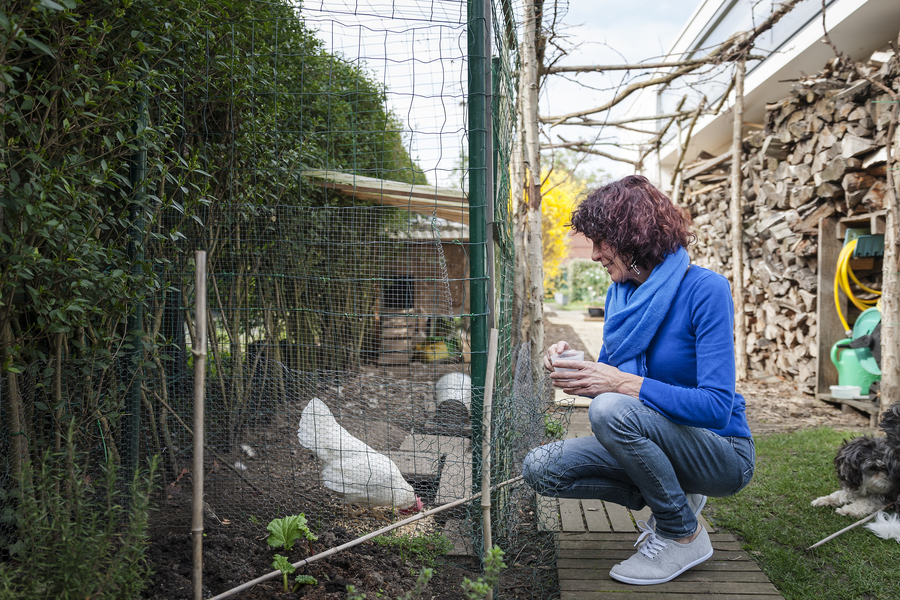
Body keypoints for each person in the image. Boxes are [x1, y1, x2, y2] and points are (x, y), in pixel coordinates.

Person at [522, 175, 754, 586]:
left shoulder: (706, 290)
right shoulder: (620, 296)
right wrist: (573, 367)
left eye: (600, 242)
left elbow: (716, 406)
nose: (593, 255)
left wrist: (618, 385)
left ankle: (683, 533)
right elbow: (609, 376)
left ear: (632, 237)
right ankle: (677, 498)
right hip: (654, 438)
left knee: (611, 408)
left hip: (721, 451)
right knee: (541, 468)